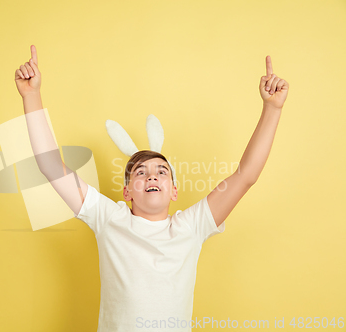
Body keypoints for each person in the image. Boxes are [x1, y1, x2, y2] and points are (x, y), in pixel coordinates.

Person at [14, 44, 289, 331]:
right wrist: (32, 95)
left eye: (161, 172)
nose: (152, 177)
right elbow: (51, 167)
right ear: (127, 192)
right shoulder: (108, 218)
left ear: (174, 191)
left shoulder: (192, 225)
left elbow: (245, 175)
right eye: (140, 173)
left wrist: (272, 108)